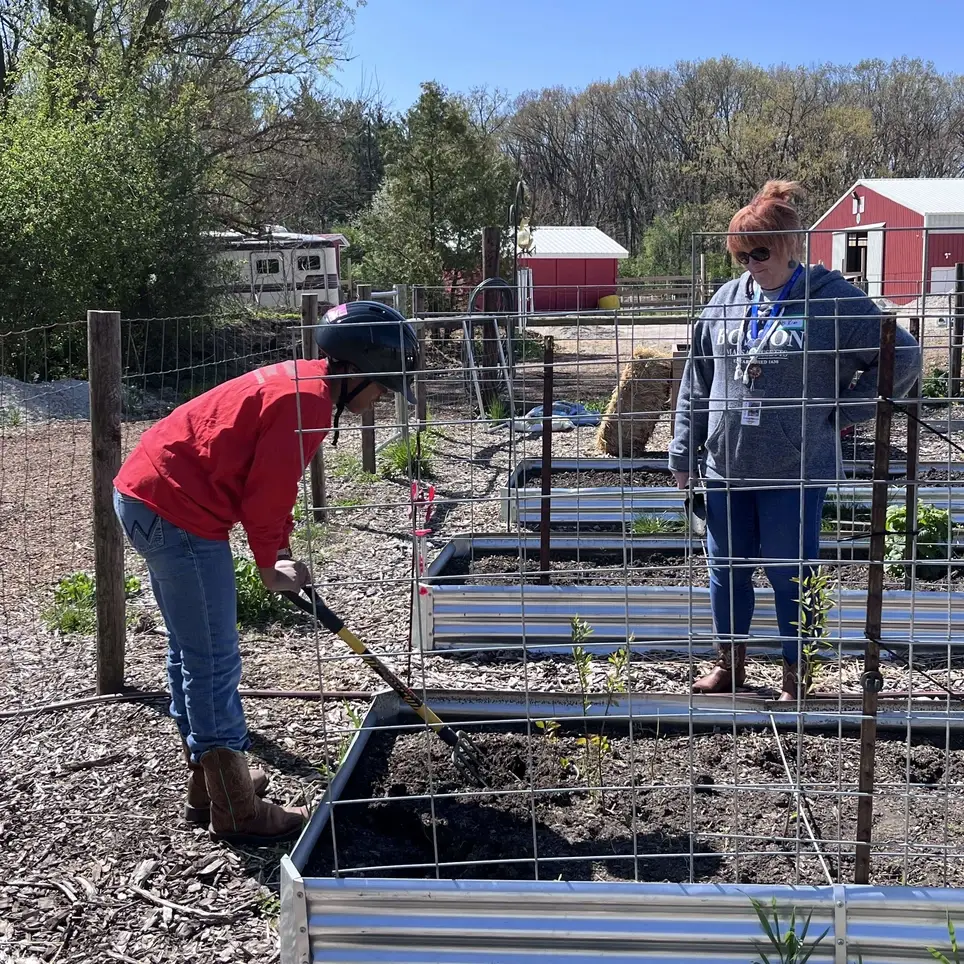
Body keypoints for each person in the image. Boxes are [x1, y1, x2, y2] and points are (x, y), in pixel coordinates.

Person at [113, 301, 418, 845]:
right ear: (355, 370)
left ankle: (210, 785)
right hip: (175, 509)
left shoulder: (305, 383)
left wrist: (275, 547)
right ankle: (237, 810)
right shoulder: (306, 401)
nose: (384, 399)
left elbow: (267, 483)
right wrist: (271, 560)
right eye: (385, 386)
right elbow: (269, 491)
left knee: (193, 647)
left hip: (153, 496)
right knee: (213, 655)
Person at [669, 181, 919, 701]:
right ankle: (730, 664)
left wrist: (839, 412)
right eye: (741, 254)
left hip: (794, 466)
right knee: (726, 569)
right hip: (726, 465)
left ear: (789, 245)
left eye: (760, 251)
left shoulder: (833, 301)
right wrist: (684, 449)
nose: (751, 263)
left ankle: (795, 674)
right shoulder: (726, 300)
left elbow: (905, 357)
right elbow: (697, 377)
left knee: (791, 572)